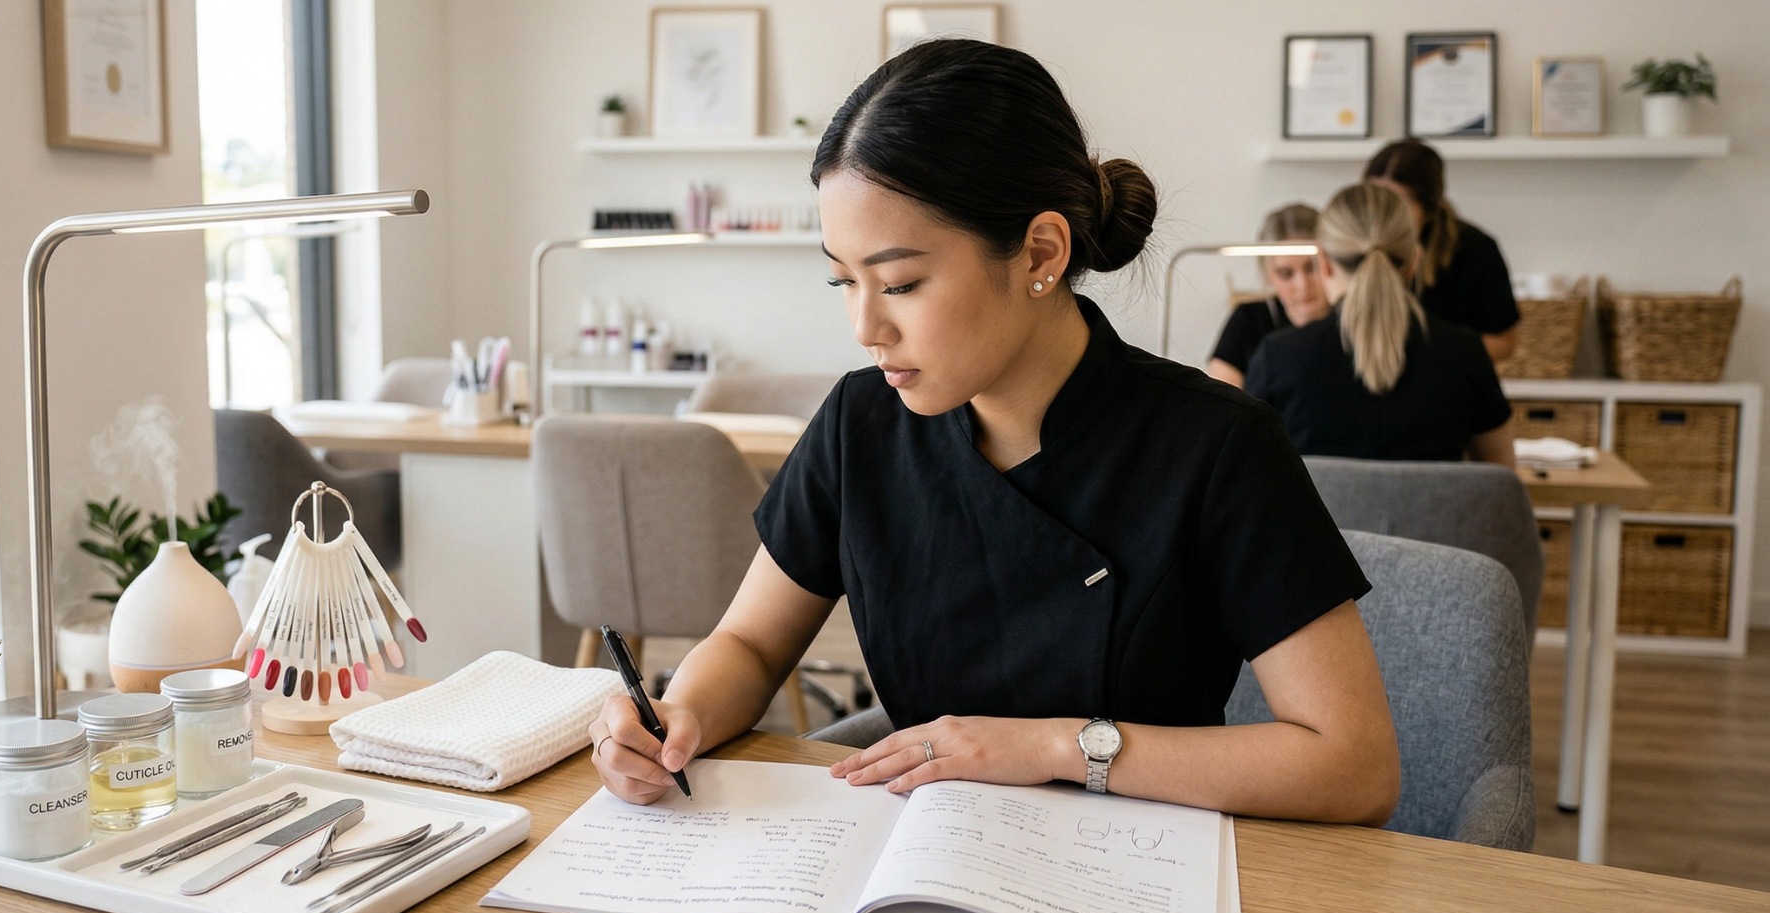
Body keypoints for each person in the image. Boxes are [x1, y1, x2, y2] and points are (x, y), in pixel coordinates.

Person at [587, 39, 1400, 826]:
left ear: (1041, 252)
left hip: (1144, 875)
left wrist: (1052, 747)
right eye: (844, 279)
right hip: (922, 861)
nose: (866, 327)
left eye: (900, 282)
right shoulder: (858, 423)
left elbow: (1355, 766)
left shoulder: (1217, 446)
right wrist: (677, 714)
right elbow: (752, 644)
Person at [1244, 183, 1515, 466]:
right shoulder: (1464, 353)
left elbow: (1247, 480)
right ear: (1414, 261)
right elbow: (1501, 481)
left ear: (1322, 262)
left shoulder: (1278, 358)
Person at [1363, 139, 1522, 360]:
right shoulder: (1350, 246)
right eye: (1373, 201)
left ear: (1427, 210)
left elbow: (1503, 342)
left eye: (1398, 205)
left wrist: (1427, 358)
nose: (1382, 215)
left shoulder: (1475, 249)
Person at [1206, 203, 1327, 388]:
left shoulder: (1355, 320)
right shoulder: (1248, 321)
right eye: (1286, 274)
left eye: (1312, 268)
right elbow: (1220, 405)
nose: (1302, 285)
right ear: (1268, 274)